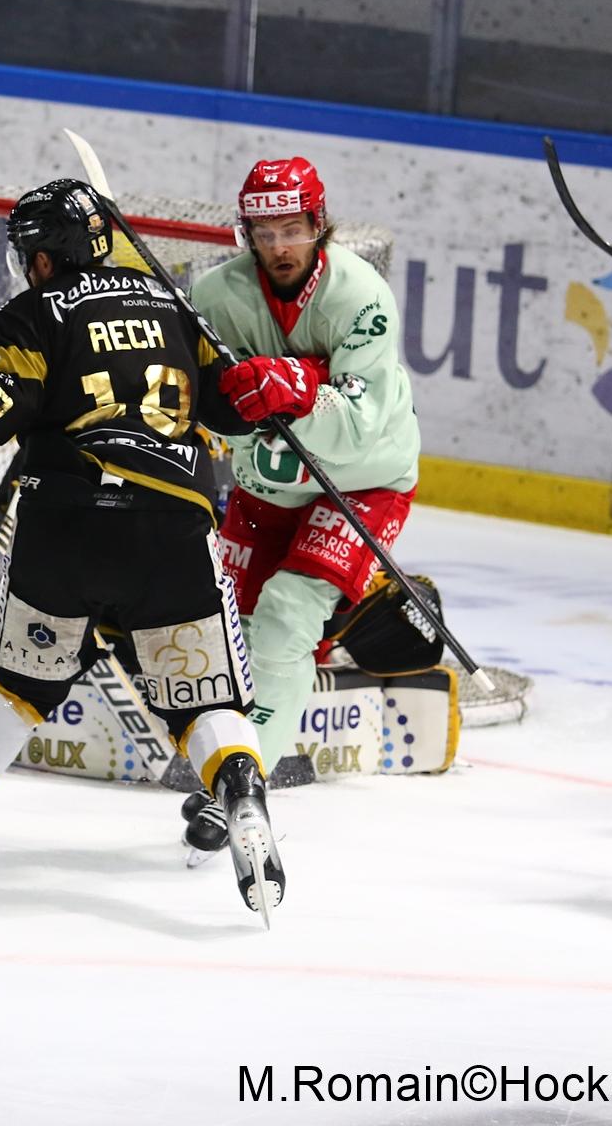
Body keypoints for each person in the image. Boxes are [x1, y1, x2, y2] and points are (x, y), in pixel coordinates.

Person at [0, 178, 284, 921]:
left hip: (65, 529)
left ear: (44, 259)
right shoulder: (174, 306)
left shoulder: (26, 317)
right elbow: (229, 401)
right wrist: (271, 388)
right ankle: (241, 793)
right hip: (169, 528)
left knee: (21, 687)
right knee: (206, 701)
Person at [179, 157, 420, 856]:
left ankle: (237, 791)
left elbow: (357, 428)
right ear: (245, 232)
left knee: (285, 619)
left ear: (319, 226)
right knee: (226, 626)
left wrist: (296, 388)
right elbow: (206, 406)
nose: (279, 245)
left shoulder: (362, 297)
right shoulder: (218, 296)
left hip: (361, 487)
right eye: (264, 230)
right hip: (266, 490)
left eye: (292, 228)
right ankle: (239, 738)